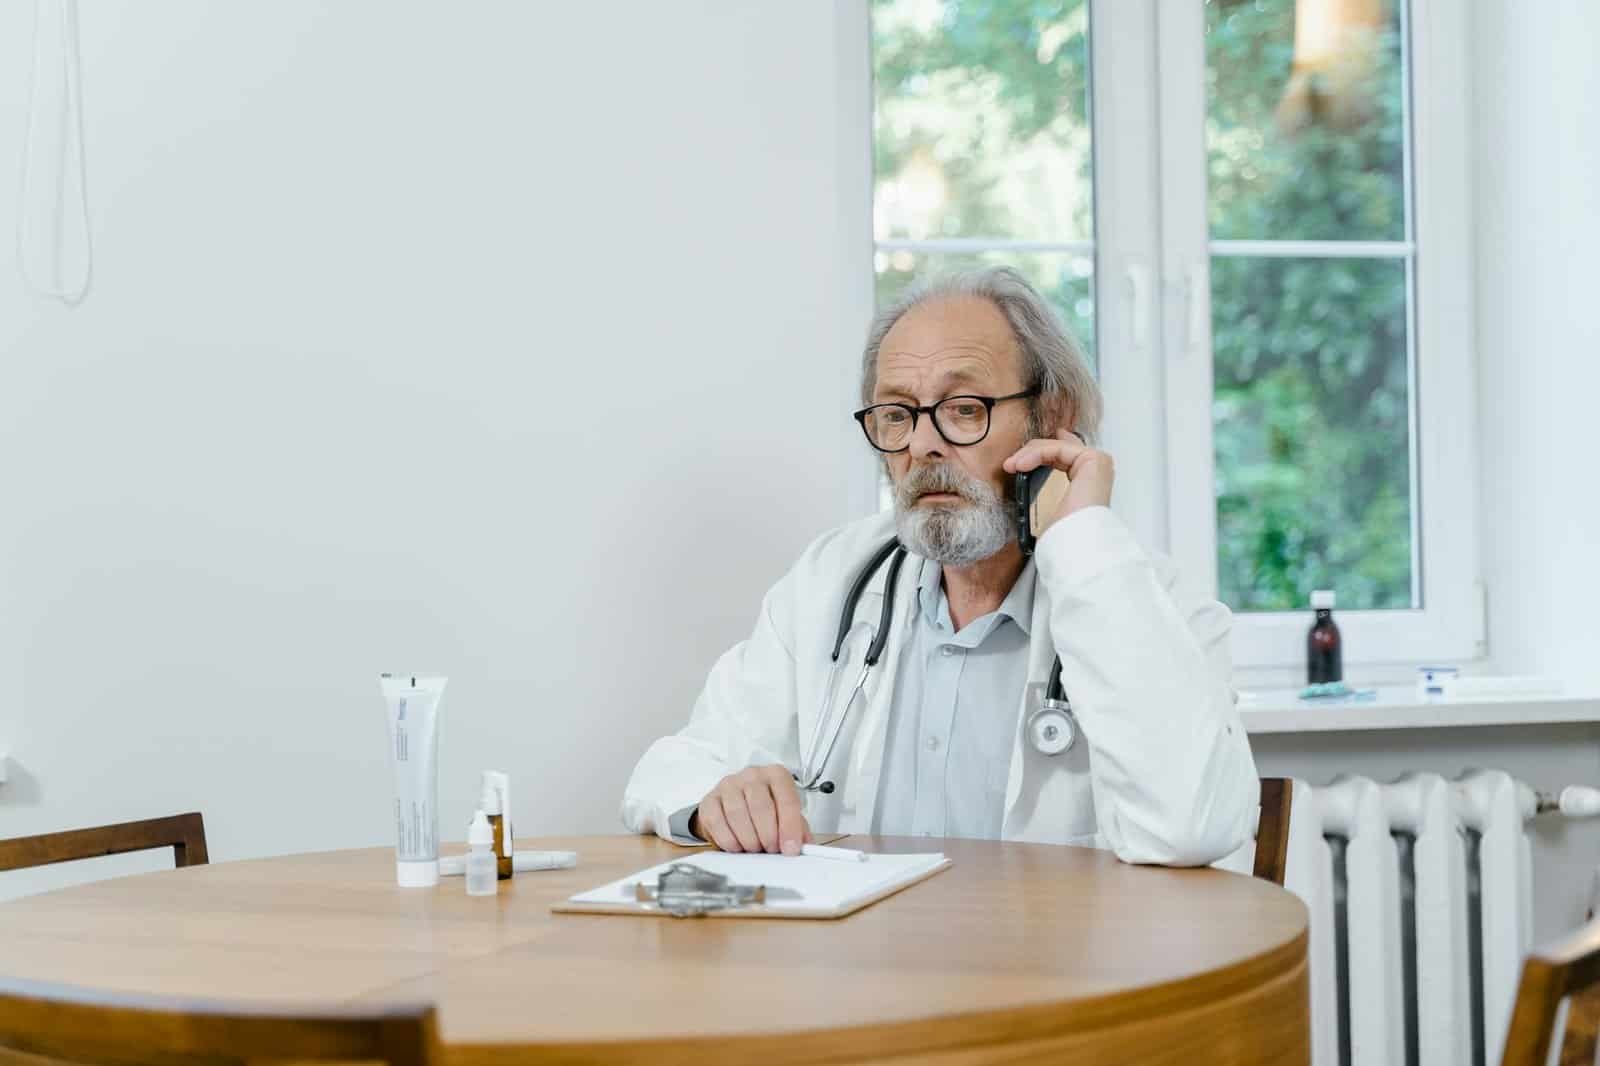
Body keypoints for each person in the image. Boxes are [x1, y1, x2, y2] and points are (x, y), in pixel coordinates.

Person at [621, 267, 1257, 865]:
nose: (922, 444)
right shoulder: (831, 582)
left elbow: (1191, 825)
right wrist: (718, 801)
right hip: (866, 973)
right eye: (896, 414)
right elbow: (675, 766)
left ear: (1052, 418)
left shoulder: (1152, 603)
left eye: (962, 409)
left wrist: (1085, 537)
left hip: (1060, 978)